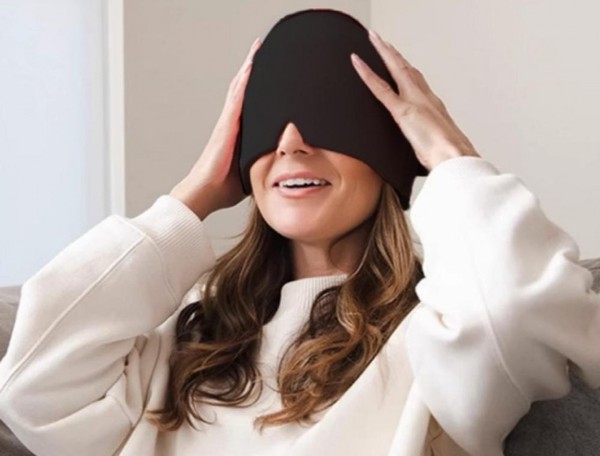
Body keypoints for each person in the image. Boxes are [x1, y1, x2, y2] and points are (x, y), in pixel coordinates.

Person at [0, 26, 599, 456]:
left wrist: (450, 157)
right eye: (269, 122)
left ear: (391, 151)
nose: (291, 142)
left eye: (329, 117)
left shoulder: (439, 332)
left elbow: (515, 305)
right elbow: (31, 391)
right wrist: (192, 195)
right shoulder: (187, 334)